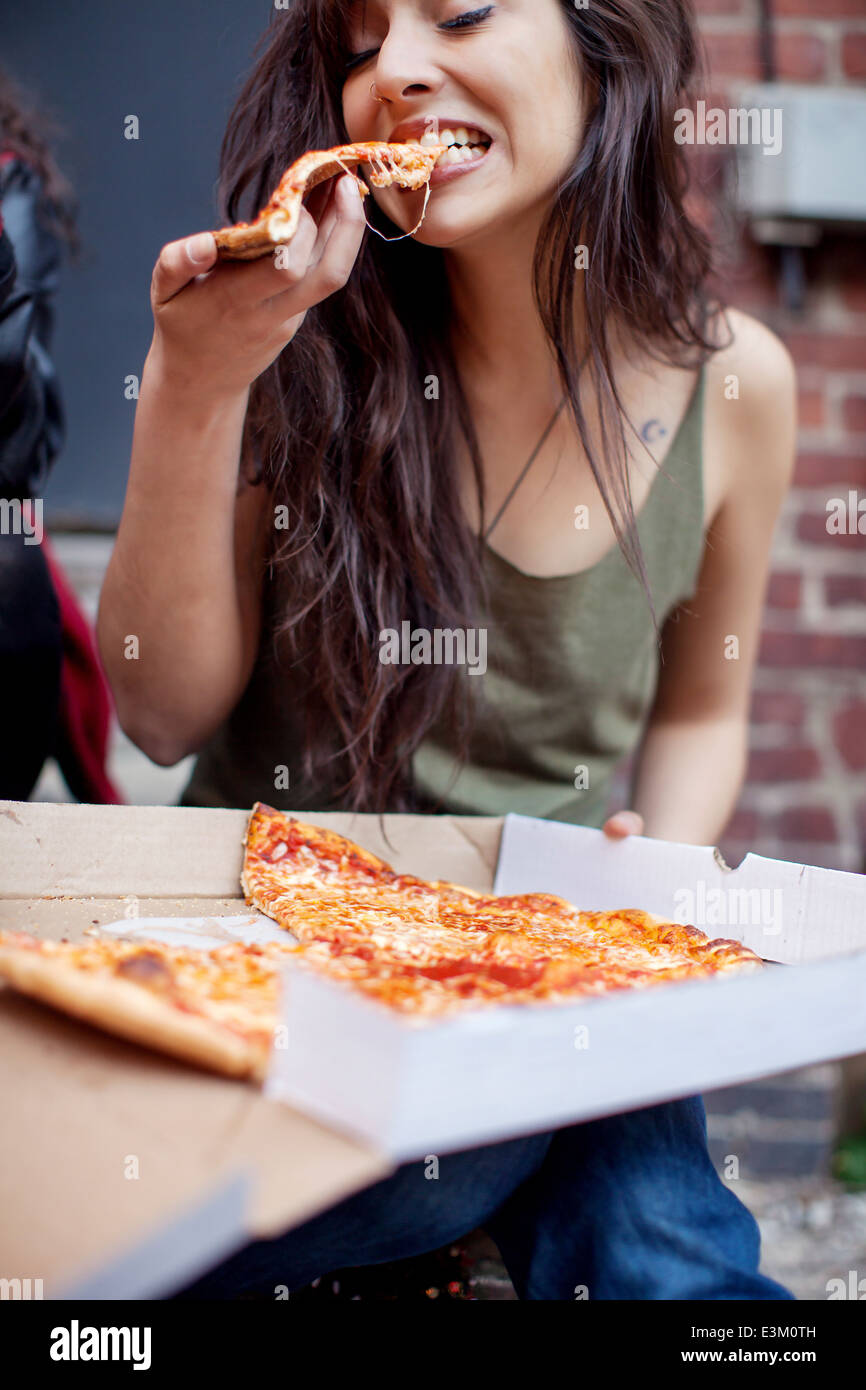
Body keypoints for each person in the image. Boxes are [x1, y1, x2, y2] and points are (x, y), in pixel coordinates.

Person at [97, 1, 797, 1299]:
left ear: (606, 40)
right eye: (359, 43)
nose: (398, 72)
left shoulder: (737, 385)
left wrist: (652, 869)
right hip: (273, 965)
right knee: (565, 1128)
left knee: (608, 1087)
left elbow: (702, 708)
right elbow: (158, 710)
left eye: (460, 10)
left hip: (536, 961)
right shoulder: (290, 332)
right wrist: (195, 379)